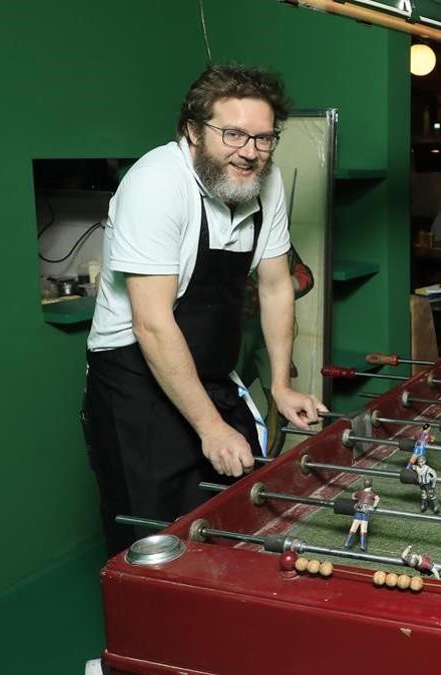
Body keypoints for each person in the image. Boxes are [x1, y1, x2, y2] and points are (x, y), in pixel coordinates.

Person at [82, 64, 326, 554]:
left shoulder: (265, 180)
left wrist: (279, 385)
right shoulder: (155, 184)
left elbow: (277, 286)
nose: (249, 152)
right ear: (193, 130)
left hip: (210, 369)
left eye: (263, 137)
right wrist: (210, 426)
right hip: (135, 379)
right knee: (157, 539)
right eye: (232, 133)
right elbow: (152, 323)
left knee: (242, 510)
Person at [236, 243, 314, 456]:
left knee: (278, 406)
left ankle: (267, 462)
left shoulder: (274, 237)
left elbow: (306, 277)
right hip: (233, 333)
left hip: (269, 336)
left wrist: (282, 286)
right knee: (230, 395)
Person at [344, 479, 379, 551]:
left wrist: (356, 500)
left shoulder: (360, 492)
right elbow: (377, 498)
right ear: (371, 485)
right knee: (363, 528)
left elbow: (353, 495)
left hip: (358, 510)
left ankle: (347, 543)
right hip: (365, 512)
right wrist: (374, 505)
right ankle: (363, 545)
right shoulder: (372, 493)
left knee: (354, 527)